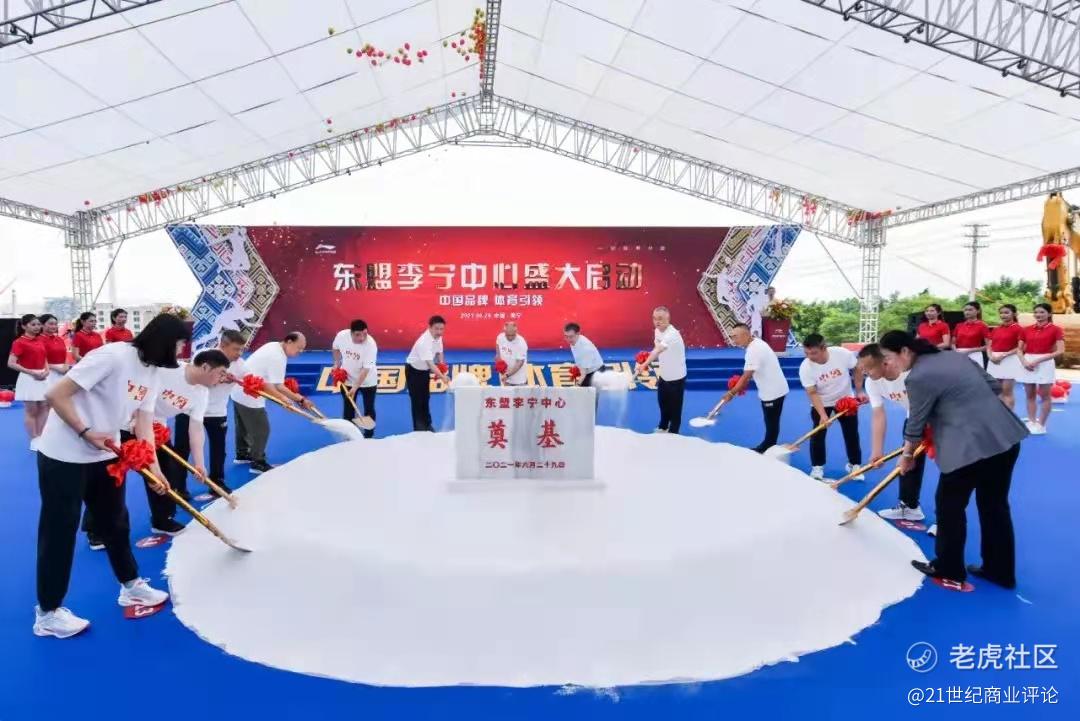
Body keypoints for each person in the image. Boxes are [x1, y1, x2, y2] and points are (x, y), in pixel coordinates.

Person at [33, 313, 190, 638]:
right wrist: (85, 431)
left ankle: (131, 585)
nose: (180, 351)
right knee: (60, 530)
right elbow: (57, 394)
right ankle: (47, 613)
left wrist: (155, 470)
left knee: (116, 523)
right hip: (64, 454)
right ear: (164, 340)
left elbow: (144, 424)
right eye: (179, 344)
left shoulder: (152, 371)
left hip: (105, 454)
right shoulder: (112, 356)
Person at [879, 330, 1027, 589]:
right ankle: (1000, 570)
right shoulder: (955, 357)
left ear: (904, 351)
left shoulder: (917, 377)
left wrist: (906, 456)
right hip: (1004, 437)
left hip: (968, 448)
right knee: (994, 506)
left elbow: (915, 423)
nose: (887, 364)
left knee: (949, 505)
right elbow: (993, 386)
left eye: (888, 358)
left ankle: (949, 567)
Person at [140, 349, 230, 534]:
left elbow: (196, 427)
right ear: (205, 367)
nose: (222, 379)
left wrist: (199, 463)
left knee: (166, 473)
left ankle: (161, 520)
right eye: (220, 373)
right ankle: (96, 530)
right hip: (126, 421)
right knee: (111, 475)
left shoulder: (202, 393)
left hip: (155, 427)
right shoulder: (168, 369)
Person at [857, 344, 932, 529]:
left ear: (885, 362)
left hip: (945, 418)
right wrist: (877, 451)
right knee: (909, 463)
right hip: (914, 417)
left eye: (869, 368)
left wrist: (907, 452)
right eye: (863, 369)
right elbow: (878, 414)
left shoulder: (911, 373)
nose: (865, 373)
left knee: (952, 470)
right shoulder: (872, 382)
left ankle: (949, 522)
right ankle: (910, 507)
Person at [230, 332, 312, 473]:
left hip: (238, 391)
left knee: (243, 426)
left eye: (302, 349)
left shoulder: (274, 345)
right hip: (249, 393)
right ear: (289, 341)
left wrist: (297, 399)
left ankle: (242, 454)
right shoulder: (277, 357)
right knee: (262, 429)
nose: (300, 352)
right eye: (299, 348)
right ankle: (258, 462)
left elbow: (273, 383)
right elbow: (278, 386)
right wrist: (291, 400)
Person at [176, 330, 245, 496]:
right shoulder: (204, 355)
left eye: (241, 349)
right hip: (189, 410)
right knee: (182, 449)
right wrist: (220, 380)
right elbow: (196, 380)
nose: (239, 353)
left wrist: (250, 385)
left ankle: (217, 483)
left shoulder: (241, 365)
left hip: (217, 412)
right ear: (223, 345)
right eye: (236, 349)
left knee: (219, 449)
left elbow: (250, 383)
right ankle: (179, 487)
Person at [797, 333, 866, 481]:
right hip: (822, 402)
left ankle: (854, 465)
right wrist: (823, 415)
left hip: (846, 400)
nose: (809, 356)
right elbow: (812, 392)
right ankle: (817, 467)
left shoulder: (841, 354)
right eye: (806, 353)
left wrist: (859, 390)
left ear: (824, 348)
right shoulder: (805, 367)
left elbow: (857, 368)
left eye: (813, 353)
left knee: (851, 433)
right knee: (818, 435)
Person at [725, 323, 788, 453]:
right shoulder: (757, 343)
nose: (734, 340)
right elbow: (751, 373)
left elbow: (746, 376)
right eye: (732, 337)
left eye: (736, 337)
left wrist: (731, 393)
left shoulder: (754, 350)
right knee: (771, 421)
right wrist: (739, 384)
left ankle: (767, 448)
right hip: (775, 388)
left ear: (747, 335)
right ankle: (769, 446)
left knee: (771, 421)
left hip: (772, 392)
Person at [635, 306, 687, 434]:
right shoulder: (657, 331)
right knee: (663, 403)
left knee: (675, 409)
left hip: (677, 377)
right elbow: (656, 349)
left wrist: (645, 363)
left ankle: (673, 432)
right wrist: (645, 360)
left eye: (660, 319)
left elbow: (658, 350)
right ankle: (663, 427)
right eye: (654, 318)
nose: (657, 322)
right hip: (664, 375)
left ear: (668, 319)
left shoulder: (672, 334)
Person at [1018, 302, 1066, 435]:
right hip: (1027, 362)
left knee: (1045, 396)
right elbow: (1019, 349)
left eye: (1042, 312)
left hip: (1045, 363)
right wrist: (1024, 362)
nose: (1038, 315)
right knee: (1030, 395)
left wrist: (1038, 360)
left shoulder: (1056, 329)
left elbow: (1060, 350)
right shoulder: (1026, 329)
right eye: (1036, 312)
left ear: (1049, 314)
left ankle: (1041, 425)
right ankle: (1032, 421)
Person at [332, 319, 378, 438]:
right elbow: (335, 348)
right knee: (348, 408)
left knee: (369, 408)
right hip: (347, 378)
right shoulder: (342, 336)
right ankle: (349, 436)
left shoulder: (371, 344)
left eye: (365, 334)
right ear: (351, 333)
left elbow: (365, 370)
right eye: (358, 335)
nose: (362, 338)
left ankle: (369, 437)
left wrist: (355, 387)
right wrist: (336, 363)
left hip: (368, 381)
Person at [9, 314, 49, 448]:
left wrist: (47, 370)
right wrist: (31, 372)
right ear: (24, 326)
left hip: (43, 376)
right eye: (33, 325)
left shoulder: (40, 340)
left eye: (38, 324)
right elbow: (11, 363)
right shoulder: (19, 342)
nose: (37, 327)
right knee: (31, 410)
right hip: (28, 378)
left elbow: (44, 357)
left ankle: (41, 436)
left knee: (44, 407)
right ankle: (33, 439)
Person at [405, 316, 449, 432]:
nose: (439, 332)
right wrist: (443, 377)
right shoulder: (424, 342)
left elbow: (439, 353)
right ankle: (419, 428)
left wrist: (442, 365)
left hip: (424, 371)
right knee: (417, 400)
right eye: (436, 329)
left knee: (426, 398)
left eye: (441, 329)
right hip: (414, 371)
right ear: (429, 327)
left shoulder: (438, 337)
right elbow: (430, 364)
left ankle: (427, 425)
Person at [986, 304, 1024, 412]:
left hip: (1010, 360)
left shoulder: (1019, 329)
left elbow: (1020, 347)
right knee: (996, 391)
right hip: (994, 360)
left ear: (1014, 314)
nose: (1003, 315)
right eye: (1001, 313)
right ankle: (999, 415)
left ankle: (1009, 417)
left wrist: (1004, 355)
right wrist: (990, 357)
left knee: (1007, 391)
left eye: (1006, 312)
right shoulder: (996, 329)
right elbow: (989, 345)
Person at [564, 322, 605, 387]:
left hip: (596, 373)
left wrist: (576, 386)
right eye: (566, 336)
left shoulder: (585, 348)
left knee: (582, 391)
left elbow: (583, 374)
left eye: (571, 336)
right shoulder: (574, 340)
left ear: (578, 334)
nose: (568, 339)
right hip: (588, 370)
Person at [952, 301, 989, 367]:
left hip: (975, 355)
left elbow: (988, 346)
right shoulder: (959, 325)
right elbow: (952, 343)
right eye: (965, 310)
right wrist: (955, 351)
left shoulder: (982, 326)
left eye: (970, 310)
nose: (967, 312)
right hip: (959, 355)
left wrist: (969, 350)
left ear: (978, 311)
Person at [39, 314, 70, 389]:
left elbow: (65, 354)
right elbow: (39, 360)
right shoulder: (38, 340)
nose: (54, 326)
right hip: (48, 373)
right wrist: (57, 368)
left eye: (55, 324)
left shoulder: (59, 339)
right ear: (42, 325)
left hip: (63, 372)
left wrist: (66, 366)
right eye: (51, 324)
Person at [496, 321, 528, 386]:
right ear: (504, 332)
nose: (510, 337)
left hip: (518, 380)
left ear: (516, 332)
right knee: (504, 392)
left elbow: (519, 363)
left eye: (512, 335)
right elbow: (497, 344)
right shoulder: (500, 337)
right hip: (505, 378)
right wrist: (498, 357)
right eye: (508, 335)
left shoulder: (521, 343)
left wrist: (507, 375)